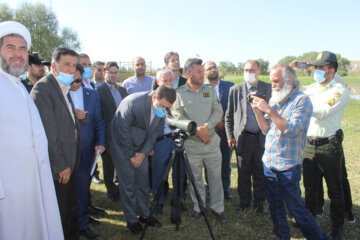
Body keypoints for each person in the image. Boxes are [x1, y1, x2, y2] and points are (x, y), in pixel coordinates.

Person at [0, 20, 63, 240]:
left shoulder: (18, 86)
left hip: (34, 184)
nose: (18, 53)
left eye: (23, 49)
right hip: (9, 193)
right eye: (10, 47)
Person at [250, 64, 328, 240]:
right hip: (269, 163)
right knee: (275, 206)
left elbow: (291, 130)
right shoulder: (275, 99)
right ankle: (282, 235)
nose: (273, 85)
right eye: (272, 82)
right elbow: (266, 129)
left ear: (289, 80)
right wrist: (257, 109)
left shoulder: (302, 101)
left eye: (276, 81)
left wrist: (268, 109)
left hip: (287, 166)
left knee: (297, 209)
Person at [109, 85, 176, 235]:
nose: (164, 111)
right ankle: (132, 220)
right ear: (154, 97)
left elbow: (153, 134)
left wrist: (143, 153)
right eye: (163, 106)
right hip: (121, 145)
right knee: (128, 183)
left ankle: (144, 214)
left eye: (167, 108)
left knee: (143, 181)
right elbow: (123, 131)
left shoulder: (162, 108)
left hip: (140, 145)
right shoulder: (133, 103)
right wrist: (132, 155)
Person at [31, 47, 82, 240]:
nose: (71, 69)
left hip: (70, 163)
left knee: (70, 209)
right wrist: (61, 165)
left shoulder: (63, 88)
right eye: (66, 64)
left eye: (73, 65)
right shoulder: (43, 89)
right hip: (58, 168)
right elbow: (49, 133)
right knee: (60, 214)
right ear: (54, 65)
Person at [301, 51, 350, 240]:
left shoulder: (339, 91)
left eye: (320, 67)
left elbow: (321, 112)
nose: (317, 70)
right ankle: (310, 221)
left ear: (332, 70)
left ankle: (337, 226)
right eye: (315, 67)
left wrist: (302, 101)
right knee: (310, 187)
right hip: (309, 144)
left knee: (335, 189)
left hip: (328, 147)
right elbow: (296, 94)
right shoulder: (311, 88)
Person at [172, 58, 227, 223]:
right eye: (199, 71)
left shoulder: (209, 90)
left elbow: (218, 111)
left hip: (211, 143)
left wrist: (206, 127)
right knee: (195, 179)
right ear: (188, 73)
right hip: (192, 145)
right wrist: (196, 131)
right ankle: (199, 207)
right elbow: (177, 118)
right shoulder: (179, 93)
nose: (203, 74)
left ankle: (218, 208)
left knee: (215, 178)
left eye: (203, 71)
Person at [225, 60, 271, 212]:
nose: (248, 73)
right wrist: (230, 135)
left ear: (259, 72)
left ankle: (260, 203)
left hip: (261, 138)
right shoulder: (235, 90)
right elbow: (229, 116)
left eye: (252, 70)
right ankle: (244, 202)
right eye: (246, 70)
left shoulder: (267, 88)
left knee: (260, 172)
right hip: (243, 139)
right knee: (243, 172)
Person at [69, 64, 106, 239]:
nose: (75, 84)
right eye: (72, 80)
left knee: (83, 189)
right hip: (66, 153)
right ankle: (67, 225)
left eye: (78, 80)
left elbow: (99, 121)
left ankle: (83, 225)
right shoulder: (61, 94)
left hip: (86, 153)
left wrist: (100, 142)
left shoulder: (92, 95)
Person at [151, 69, 187, 215]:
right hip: (160, 142)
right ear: (158, 82)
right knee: (159, 173)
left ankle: (177, 200)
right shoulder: (153, 99)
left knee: (180, 173)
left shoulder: (179, 97)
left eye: (170, 80)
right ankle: (158, 201)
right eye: (164, 80)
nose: (167, 83)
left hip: (177, 140)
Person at [97, 61, 128, 202]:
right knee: (108, 165)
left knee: (122, 164)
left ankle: (122, 188)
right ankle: (111, 191)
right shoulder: (99, 91)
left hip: (122, 134)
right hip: (107, 135)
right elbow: (98, 115)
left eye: (116, 72)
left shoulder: (123, 91)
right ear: (105, 74)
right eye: (111, 72)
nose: (114, 75)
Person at [204, 61, 234, 200]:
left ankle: (225, 190)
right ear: (204, 73)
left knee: (225, 161)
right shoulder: (200, 88)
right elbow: (200, 110)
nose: (213, 69)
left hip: (225, 130)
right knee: (209, 163)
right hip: (209, 130)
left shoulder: (230, 86)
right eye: (209, 68)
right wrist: (213, 123)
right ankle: (211, 190)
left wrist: (224, 122)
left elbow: (234, 107)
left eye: (214, 67)